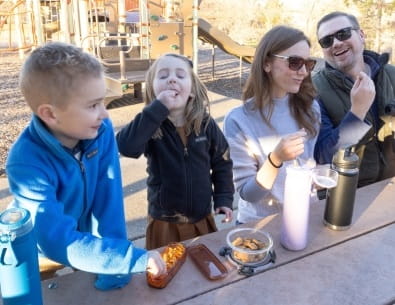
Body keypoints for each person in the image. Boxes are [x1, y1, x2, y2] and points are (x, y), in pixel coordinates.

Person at [5, 42, 166, 290]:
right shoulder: (25, 161)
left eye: (103, 102)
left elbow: (108, 198)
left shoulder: (99, 132)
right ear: (50, 114)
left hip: (83, 236)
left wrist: (117, 268)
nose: (106, 114)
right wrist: (130, 258)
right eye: (93, 105)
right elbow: (56, 240)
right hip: (37, 249)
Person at [116, 53, 234, 250]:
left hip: (201, 217)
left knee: (204, 266)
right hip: (164, 221)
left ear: (192, 89)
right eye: (163, 76)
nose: (172, 79)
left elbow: (222, 161)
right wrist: (157, 110)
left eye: (180, 75)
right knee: (166, 270)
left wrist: (223, 198)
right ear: (152, 90)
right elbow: (126, 146)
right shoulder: (150, 125)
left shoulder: (204, 124)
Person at [224, 26, 320, 224]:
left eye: (308, 64)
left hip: (306, 216)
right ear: (267, 63)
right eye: (294, 62)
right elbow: (248, 194)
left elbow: (309, 167)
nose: (303, 72)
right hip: (259, 225)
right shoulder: (238, 120)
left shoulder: (311, 108)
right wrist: (275, 159)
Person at [313, 11, 395, 187]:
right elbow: (324, 156)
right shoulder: (315, 89)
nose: (336, 43)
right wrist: (357, 113)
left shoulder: (391, 75)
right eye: (327, 41)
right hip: (349, 196)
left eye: (343, 34)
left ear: (361, 35)